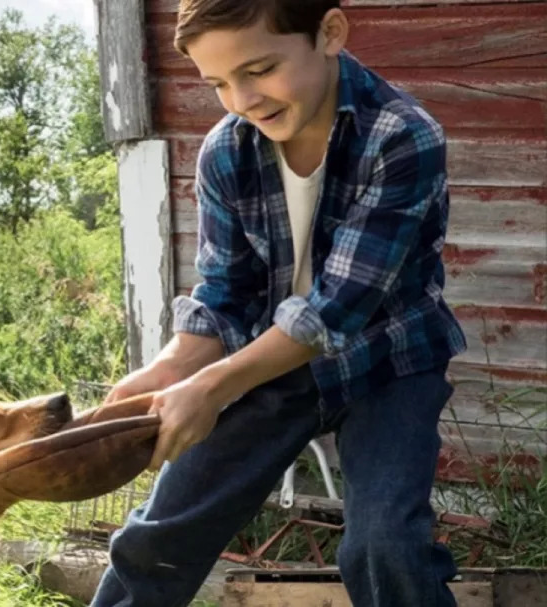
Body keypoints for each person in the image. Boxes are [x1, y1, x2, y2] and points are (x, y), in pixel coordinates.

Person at [89, 1, 468, 606]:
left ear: (330, 32)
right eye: (218, 83)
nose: (242, 100)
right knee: (156, 537)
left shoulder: (402, 135)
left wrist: (211, 388)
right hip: (268, 366)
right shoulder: (226, 153)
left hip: (388, 365)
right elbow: (224, 295)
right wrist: (173, 368)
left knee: (385, 546)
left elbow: (336, 309)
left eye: (260, 69)